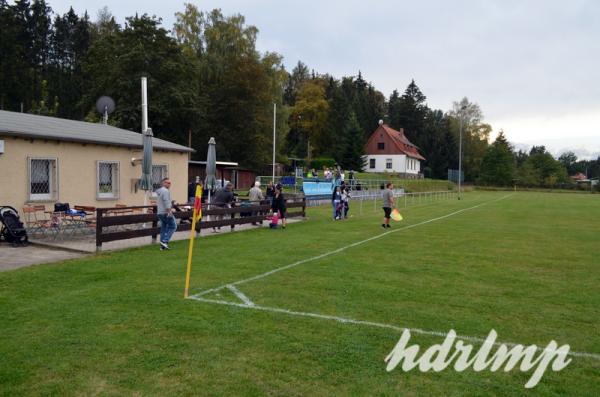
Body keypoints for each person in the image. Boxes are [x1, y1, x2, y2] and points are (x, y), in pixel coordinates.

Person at [156, 177, 177, 250]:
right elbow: (166, 202)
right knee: (173, 226)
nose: (169, 184)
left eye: (170, 183)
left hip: (160, 212)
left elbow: (163, 201)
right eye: (167, 183)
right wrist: (169, 211)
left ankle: (162, 246)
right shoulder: (165, 191)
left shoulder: (159, 191)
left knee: (163, 228)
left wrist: (171, 202)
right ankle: (165, 241)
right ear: (163, 183)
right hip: (165, 212)